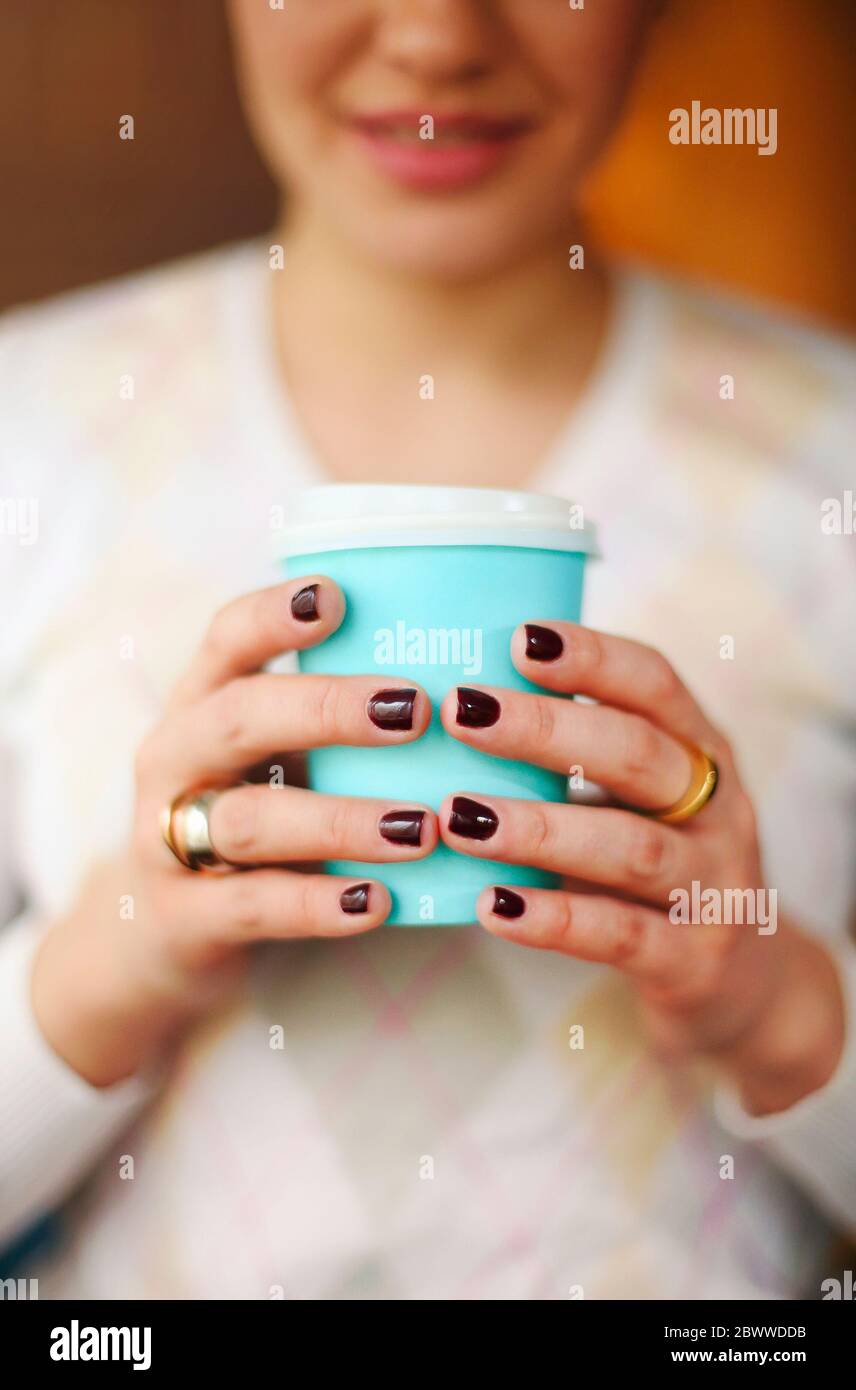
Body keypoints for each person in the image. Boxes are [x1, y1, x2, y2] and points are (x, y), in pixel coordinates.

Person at [1, 0, 854, 1299]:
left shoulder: (829, 457)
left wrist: (782, 1007)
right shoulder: (33, 429)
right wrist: (108, 963)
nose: (440, 37)